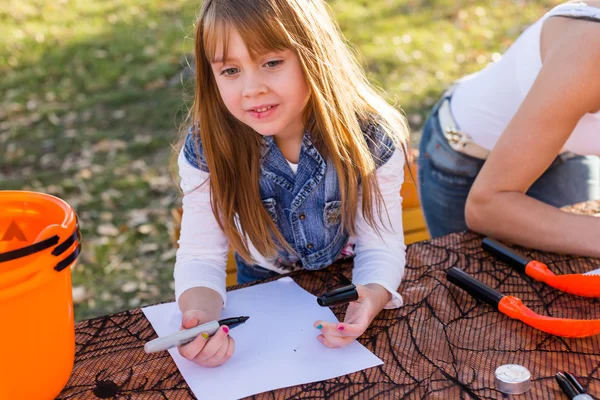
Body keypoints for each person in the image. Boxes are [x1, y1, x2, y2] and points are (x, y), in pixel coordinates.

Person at [173, 0, 409, 368]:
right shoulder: (209, 147)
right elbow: (200, 255)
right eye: (231, 70)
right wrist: (200, 317)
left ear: (313, 55)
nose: (252, 89)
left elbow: (380, 243)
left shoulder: (370, 136)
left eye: (271, 63)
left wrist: (372, 296)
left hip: (349, 281)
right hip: (262, 287)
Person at [418, 1, 600, 257]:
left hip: (562, 148)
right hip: (467, 159)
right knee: (479, 284)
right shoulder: (588, 51)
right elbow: (486, 206)